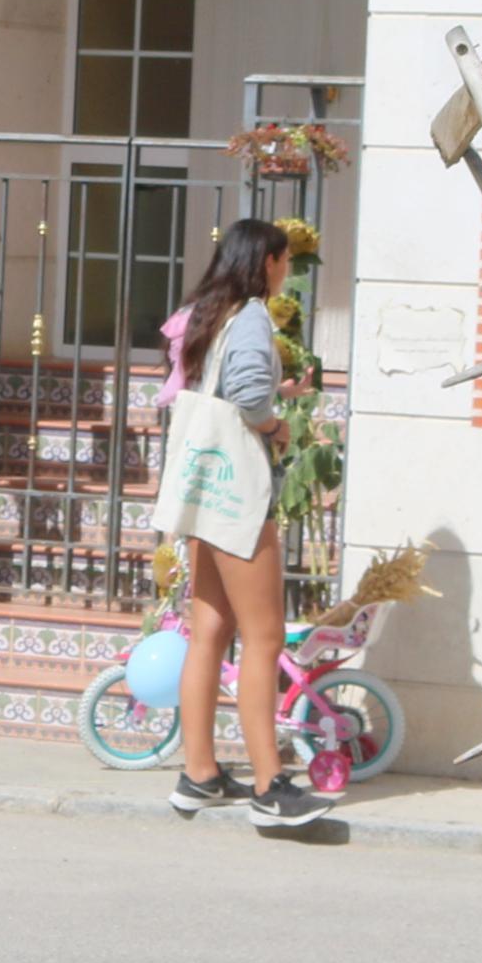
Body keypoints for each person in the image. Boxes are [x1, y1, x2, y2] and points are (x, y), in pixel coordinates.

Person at [161, 217, 326, 832]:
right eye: (284, 261)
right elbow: (250, 399)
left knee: (209, 629)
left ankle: (199, 773)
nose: (286, 271)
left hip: (204, 491)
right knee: (263, 637)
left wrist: (264, 396)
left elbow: (219, 386)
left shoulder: (210, 310)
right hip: (238, 499)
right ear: (270, 261)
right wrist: (276, 423)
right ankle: (270, 785)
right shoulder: (253, 313)